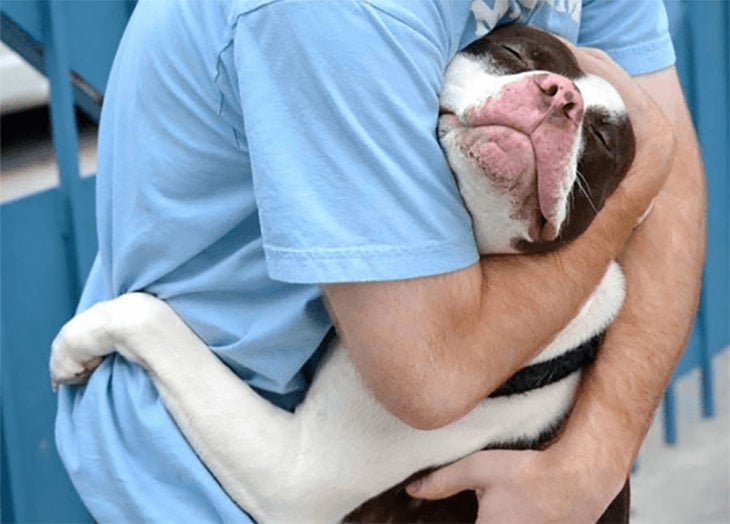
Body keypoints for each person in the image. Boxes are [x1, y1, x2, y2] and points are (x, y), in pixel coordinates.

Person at [55, 0, 705, 522]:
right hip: (215, 475)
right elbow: (432, 376)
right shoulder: (345, 13)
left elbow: (673, 200)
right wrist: (642, 168)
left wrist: (593, 459)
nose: (561, 100)